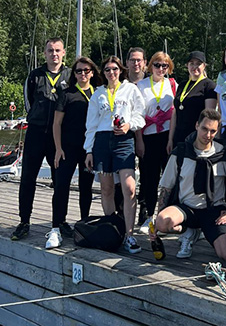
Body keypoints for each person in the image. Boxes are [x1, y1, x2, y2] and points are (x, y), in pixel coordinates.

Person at [155, 109, 226, 262]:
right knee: (162, 222)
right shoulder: (180, 153)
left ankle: (211, 234)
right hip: (187, 209)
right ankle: (188, 231)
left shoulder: (224, 155)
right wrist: (157, 220)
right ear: (196, 125)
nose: (208, 135)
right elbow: (166, 188)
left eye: (213, 131)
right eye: (204, 129)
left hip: (214, 211)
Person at [11, 38, 72, 241]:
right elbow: (29, 102)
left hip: (59, 136)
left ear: (63, 52)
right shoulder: (34, 75)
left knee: (60, 180)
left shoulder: (70, 75)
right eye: (50, 50)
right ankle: (24, 221)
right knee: (28, 178)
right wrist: (36, 117)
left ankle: (60, 221)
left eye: (57, 50)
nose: (54, 54)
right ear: (44, 53)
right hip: (36, 133)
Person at [84, 56, 146, 254]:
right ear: (103, 73)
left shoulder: (130, 89)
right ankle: (113, 231)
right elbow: (91, 124)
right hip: (102, 141)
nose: (112, 73)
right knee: (106, 189)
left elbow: (140, 115)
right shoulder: (97, 94)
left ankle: (129, 235)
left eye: (115, 69)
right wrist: (89, 150)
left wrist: (129, 125)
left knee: (129, 188)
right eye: (108, 70)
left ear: (121, 70)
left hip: (123, 140)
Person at [46, 57, 102, 249]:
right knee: (61, 186)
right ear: (74, 74)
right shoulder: (66, 93)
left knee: (86, 188)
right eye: (79, 71)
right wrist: (58, 148)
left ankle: (83, 225)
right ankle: (55, 228)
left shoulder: (98, 93)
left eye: (86, 70)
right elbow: (56, 123)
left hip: (89, 150)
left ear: (92, 73)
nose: (83, 74)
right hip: (67, 148)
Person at [136, 52, 177, 233]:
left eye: (164, 66)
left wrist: (171, 140)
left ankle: (167, 216)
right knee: (149, 179)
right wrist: (139, 141)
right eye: (157, 65)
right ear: (150, 66)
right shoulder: (141, 85)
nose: (160, 69)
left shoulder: (172, 84)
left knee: (169, 179)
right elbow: (137, 114)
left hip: (167, 136)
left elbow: (174, 113)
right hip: (148, 135)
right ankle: (148, 216)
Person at [168, 51, 217, 152]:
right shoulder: (182, 85)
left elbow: (209, 117)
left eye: (198, 64)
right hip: (178, 136)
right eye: (191, 63)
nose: (195, 67)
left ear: (204, 66)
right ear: (187, 65)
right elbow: (175, 113)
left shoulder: (209, 86)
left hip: (196, 137)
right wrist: (170, 139)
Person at [125, 47, 148, 224]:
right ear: (127, 63)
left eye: (139, 60)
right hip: (124, 134)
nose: (136, 63)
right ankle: (122, 211)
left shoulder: (150, 83)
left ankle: (144, 209)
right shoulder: (121, 82)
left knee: (147, 173)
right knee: (124, 175)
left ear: (145, 63)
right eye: (132, 60)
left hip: (148, 133)